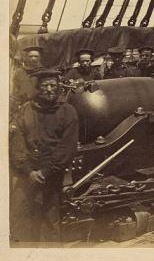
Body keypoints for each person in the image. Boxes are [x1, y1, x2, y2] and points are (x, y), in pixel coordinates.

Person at [9, 69, 79, 243]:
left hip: (51, 174)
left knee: (50, 217)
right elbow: (17, 142)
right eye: (44, 86)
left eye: (53, 86)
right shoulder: (26, 109)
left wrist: (46, 172)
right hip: (27, 173)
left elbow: (66, 148)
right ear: (37, 89)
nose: (49, 89)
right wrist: (28, 170)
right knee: (20, 214)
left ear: (58, 88)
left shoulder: (68, 112)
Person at [11, 45, 44, 110]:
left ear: (40, 58)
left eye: (36, 56)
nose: (33, 58)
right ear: (26, 57)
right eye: (30, 56)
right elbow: (15, 91)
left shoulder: (44, 72)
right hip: (21, 104)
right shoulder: (19, 72)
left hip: (38, 105)